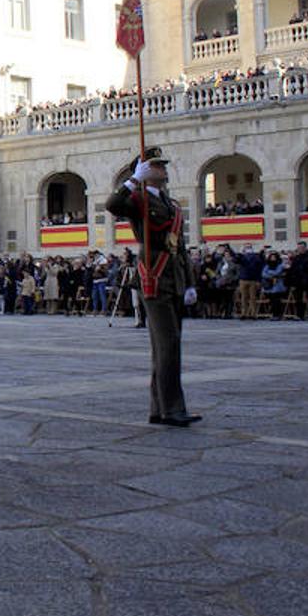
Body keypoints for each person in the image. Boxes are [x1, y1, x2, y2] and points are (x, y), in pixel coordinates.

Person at [106, 147, 201, 427]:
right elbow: (112, 205)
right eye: (157, 166)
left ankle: (160, 409)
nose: (163, 169)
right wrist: (133, 180)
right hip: (154, 278)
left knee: (168, 347)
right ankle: (171, 409)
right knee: (167, 346)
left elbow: (180, 247)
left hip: (175, 278)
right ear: (146, 171)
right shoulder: (138, 200)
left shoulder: (171, 205)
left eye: (162, 165)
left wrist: (190, 283)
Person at [288, 241, 308, 321]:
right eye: (298, 248)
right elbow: (293, 270)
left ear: (305, 248)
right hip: (298, 281)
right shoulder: (296, 258)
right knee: (298, 298)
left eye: (302, 248)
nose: (300, 249)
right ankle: (299, 314)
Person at [236, 244, 263, 319]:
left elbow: (259, 270)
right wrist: (240, 253)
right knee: (244, 297)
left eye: (249, 247)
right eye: (246, 247)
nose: (248, 249)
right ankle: (244, 313)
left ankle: (253, 313)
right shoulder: (242, 257)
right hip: (243, 279)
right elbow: (236, 260)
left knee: (252, 297)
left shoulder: (256, 257)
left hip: (253, 280)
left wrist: (258, 280)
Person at [260, 252, 287, 320]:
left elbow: (277, 272)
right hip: (269, 286)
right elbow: (263, 274)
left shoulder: (280, 265)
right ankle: (274, 314)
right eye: (271, 257)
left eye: (274, 257)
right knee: (271, 300)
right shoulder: (267, 265)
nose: (273, 258)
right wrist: (271, 276)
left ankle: (277, 314)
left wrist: (269, 272)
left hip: (278, 286)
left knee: (276, 300)